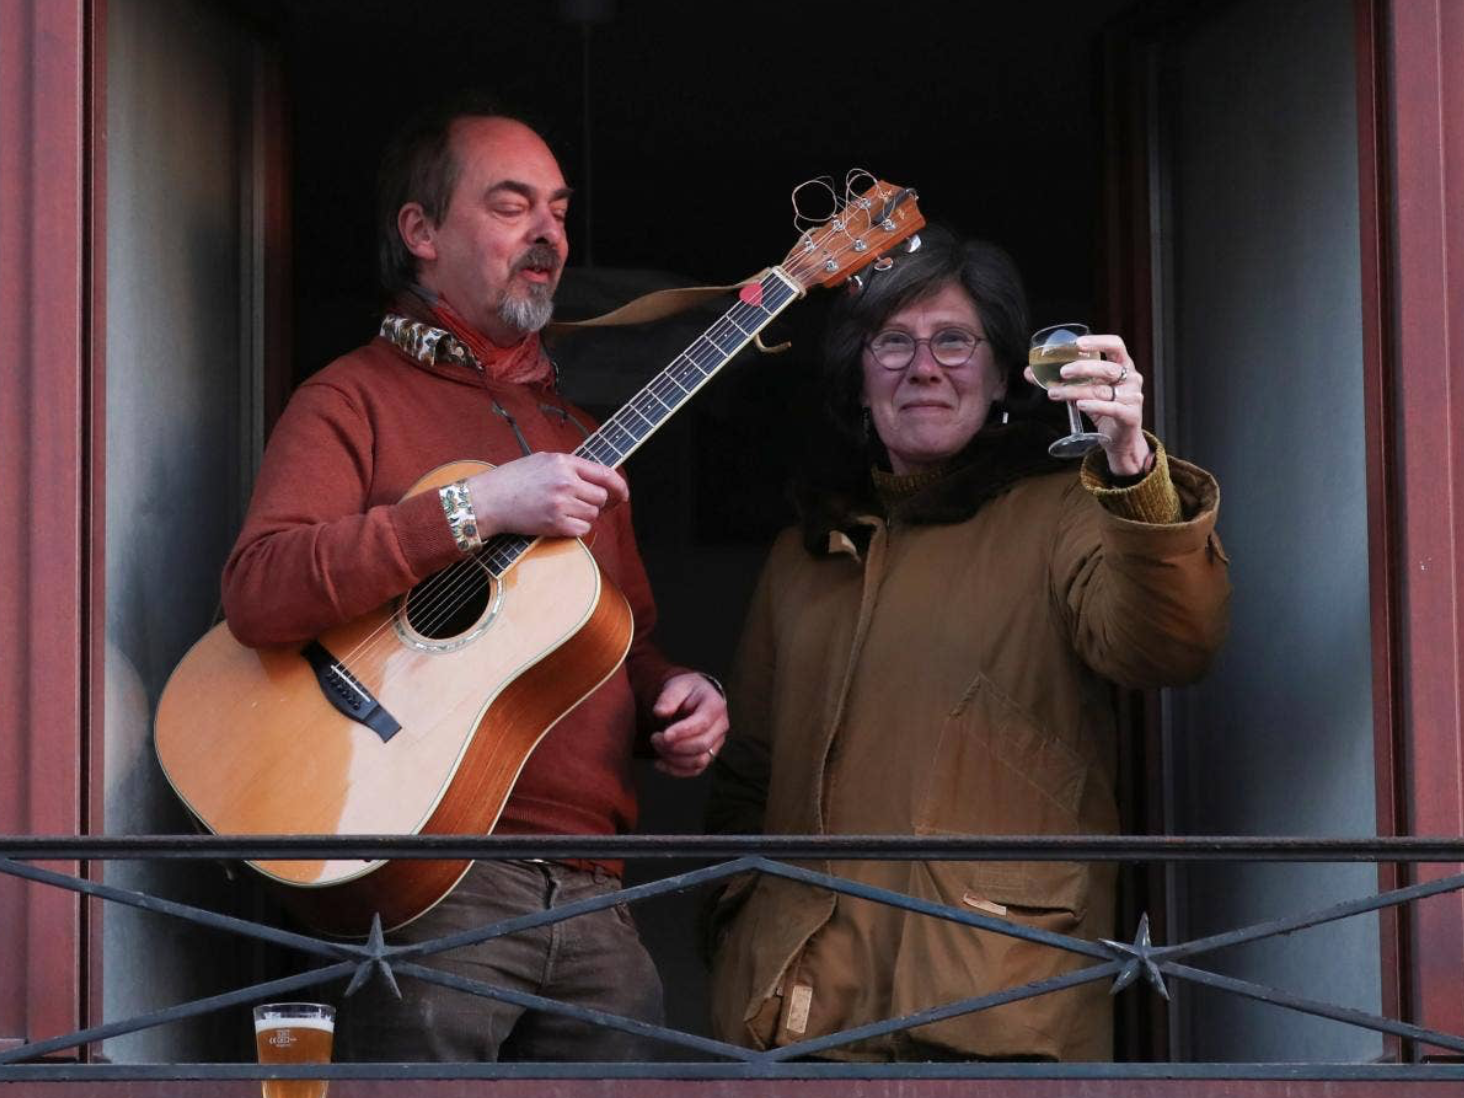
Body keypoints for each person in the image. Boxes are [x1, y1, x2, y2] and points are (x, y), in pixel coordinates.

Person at [220, 97, 728, 1061]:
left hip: (593, 891)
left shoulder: (582, 438)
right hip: (429, 881)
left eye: (559, 210)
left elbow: (617, 637)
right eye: (511, 205)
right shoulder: (351, 398)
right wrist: (475, 507)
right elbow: (259, 589)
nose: (549, 234)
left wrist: (675, 695)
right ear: (421, 232)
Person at [704, 225, 1230, 1061]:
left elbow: (1169, 649)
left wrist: (1131, 464)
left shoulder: (1065, 511)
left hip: (1000, 1005)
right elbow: (746, 780)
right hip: (801, 1016)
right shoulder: (800, 558)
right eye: (893, 342)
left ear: (1002, 376)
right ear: (857, 378)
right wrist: (738, 926)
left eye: (954, 340)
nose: (924, 368)